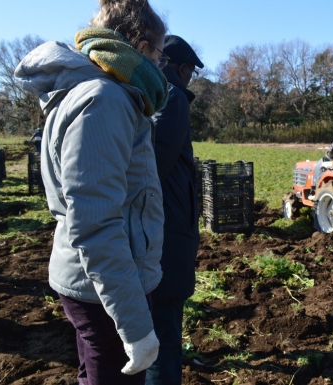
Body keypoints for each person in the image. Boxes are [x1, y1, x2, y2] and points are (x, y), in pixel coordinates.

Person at [14, 0, 168, 383]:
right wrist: (135, 327)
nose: (161, 66)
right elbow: (96, 222)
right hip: (106, 287)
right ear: (141, 47)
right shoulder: (105, 100)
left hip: (97, 280)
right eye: (160, 55)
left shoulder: (97, 93)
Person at [145, 35, 203, 385]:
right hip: (166, 232)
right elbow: (156, 164)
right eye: (191, 71)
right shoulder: (173, 98)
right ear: (180, 68)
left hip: (157, 227)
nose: (191, 78)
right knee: (164, 332)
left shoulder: (148, 96)